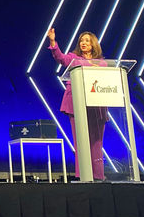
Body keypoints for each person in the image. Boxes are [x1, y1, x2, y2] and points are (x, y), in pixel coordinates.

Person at [46, 27, 108, 180]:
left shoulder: (102, 63)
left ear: (93, 44)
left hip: (97, 105)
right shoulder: (73, 59)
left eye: (87, 41)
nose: (83, 43)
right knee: (81, 140)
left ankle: (98, 175)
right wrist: (53, 42)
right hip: (77, 104)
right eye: (81, 41)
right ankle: (84, 175)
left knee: (96, 142)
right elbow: (60, 58)